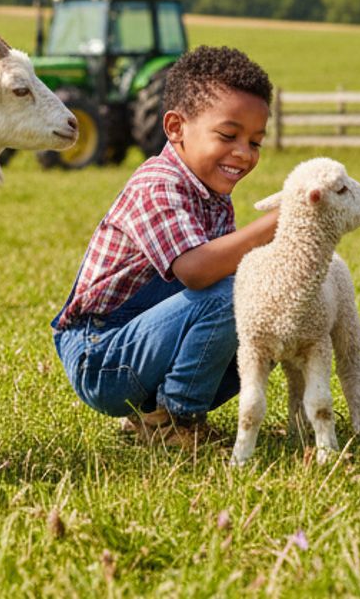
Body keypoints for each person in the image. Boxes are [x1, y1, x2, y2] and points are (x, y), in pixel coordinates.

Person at [51, 46, 281, 448]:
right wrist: (277, 223)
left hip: (137, 341)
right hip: (100, 354)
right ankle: (176, 420)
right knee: (235, 294)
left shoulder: (212, 194)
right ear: (175, 127)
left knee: (270, 309)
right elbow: (196, 271)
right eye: (228, 135)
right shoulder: (158, 184)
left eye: (255, 142)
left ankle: (152, 417)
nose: (244, 153)